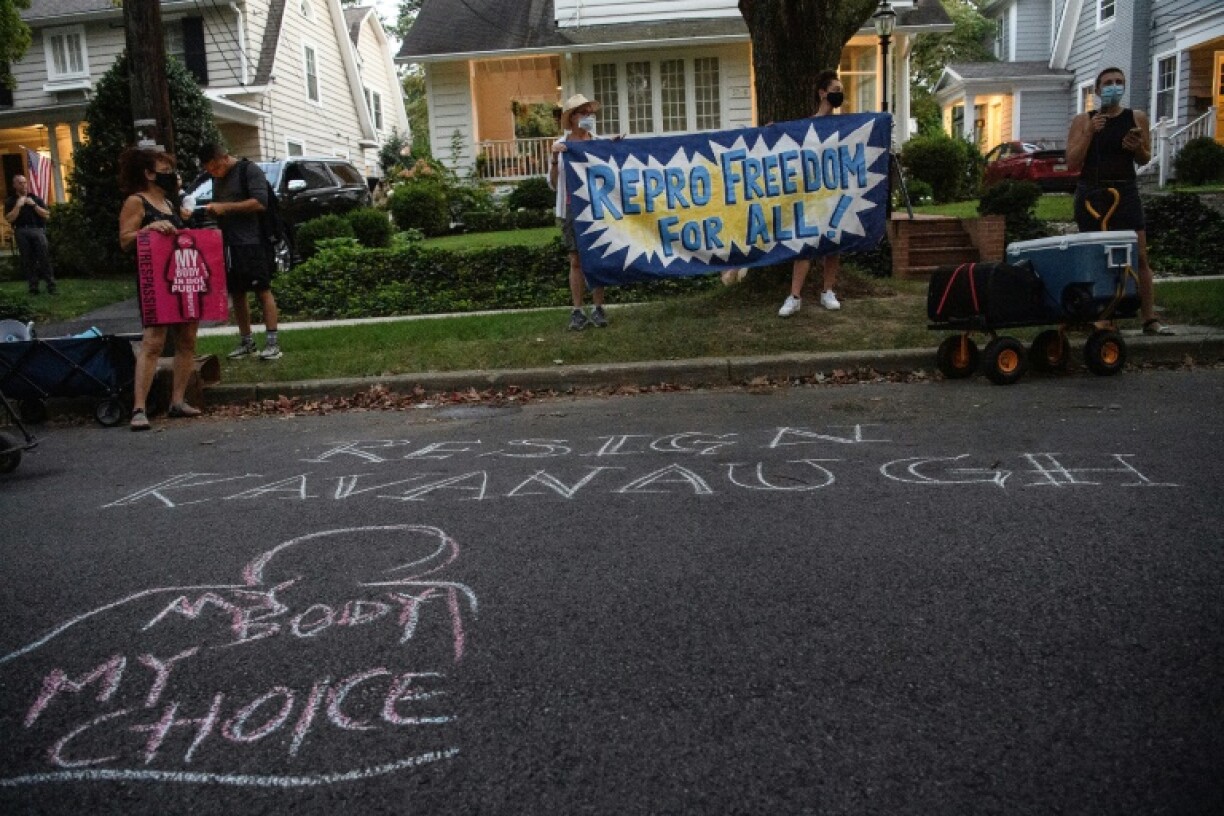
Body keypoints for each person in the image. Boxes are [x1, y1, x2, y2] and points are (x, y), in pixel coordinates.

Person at [1065, 66, 1171, 336]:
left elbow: (1145, 158)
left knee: (1140, 255)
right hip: (1092, 193)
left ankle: (1149, 318)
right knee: (1098, 256)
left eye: (1119, 82)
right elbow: (1072, 161)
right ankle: (1102, 315)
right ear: (1098, 90)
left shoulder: (1136, 118)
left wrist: (1137, 147)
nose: (1114, 86)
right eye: (1108, 83)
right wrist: (1090, 132)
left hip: (1125, 192)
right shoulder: (1083, 120)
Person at [117, 147, 200, 431]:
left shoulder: (168, 202)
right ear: (149, 174)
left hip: (180, 277)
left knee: (187, 338)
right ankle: (139, 407)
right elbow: (125, 240)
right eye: (164, 169)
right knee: (153, 340)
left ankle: (177, 400)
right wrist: (148, 230)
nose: (170, 175)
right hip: (154, 280)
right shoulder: (136, 202)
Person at [196, 142, 284, 359]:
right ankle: (246, 340)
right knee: (237, 292)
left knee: (261, 289)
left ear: (224, 157)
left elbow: (259, 202)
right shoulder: (218, 179)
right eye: (209, 170)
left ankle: (272, 342)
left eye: (215, 167)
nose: (214, 173)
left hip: (252, 240)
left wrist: (225, 208)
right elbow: (220, 205)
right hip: (229, 241)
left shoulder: (248, 170)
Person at [779, 69, 845, 318]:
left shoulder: (845, 126)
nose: (840, 95)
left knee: (833, 244)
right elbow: (788, 141)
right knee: (805, 244)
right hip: (810, 195)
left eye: (841, 91)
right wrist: (772, 132)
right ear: (822, 93)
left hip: (835, 192)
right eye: (835, 91)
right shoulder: (807, 125)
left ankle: (828, 291)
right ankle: (795, 296)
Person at [549, 94, 609, 331]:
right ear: (572, 118)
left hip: (596, 207)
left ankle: (598, 307)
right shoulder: (561, 146)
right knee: (576, 260)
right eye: (583, 113)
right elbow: (553, 184)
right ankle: (577, 310)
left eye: (590, 112)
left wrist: (618, 148)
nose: (588, 117)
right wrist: (555, 158)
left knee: (598, 257)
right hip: (572, 207)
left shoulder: (598, 142)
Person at [4, 174, 56, 296]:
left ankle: (51, 285)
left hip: (37, 230)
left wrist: (33, 205)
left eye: (25, 182)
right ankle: (33, 288)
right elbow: (9, 219)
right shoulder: (10, 201)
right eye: (20, 183)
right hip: (21, 231)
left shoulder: (36, 199)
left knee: (44, 258)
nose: (23, 185)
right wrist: (18, 205)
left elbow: (46, 215)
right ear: (15, 185)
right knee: (28, 260)